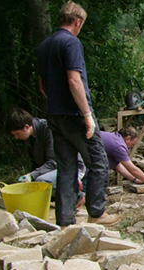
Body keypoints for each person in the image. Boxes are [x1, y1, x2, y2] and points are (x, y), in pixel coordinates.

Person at [37, 1, 118, 226]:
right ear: (78, 21)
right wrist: (86, 113)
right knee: (99, 162)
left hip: (54, 114)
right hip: (75, 114)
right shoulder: (71, 43)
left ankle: (64, 219)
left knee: (66, 167)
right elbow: (74, 80)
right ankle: (97, 212)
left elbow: (42, 85)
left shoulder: (44, 45)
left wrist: (56, 103)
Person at [8, 108, 87, 206]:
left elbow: (53, 162)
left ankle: (75, 193)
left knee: (40, 181)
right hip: (52, 170)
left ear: (26, 127)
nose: (16, 137)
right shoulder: (29, 137)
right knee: (33, 185)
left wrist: (32, 175)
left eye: (17, 134)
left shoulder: (49, 129)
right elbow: (35, 164)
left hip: (71, 167)